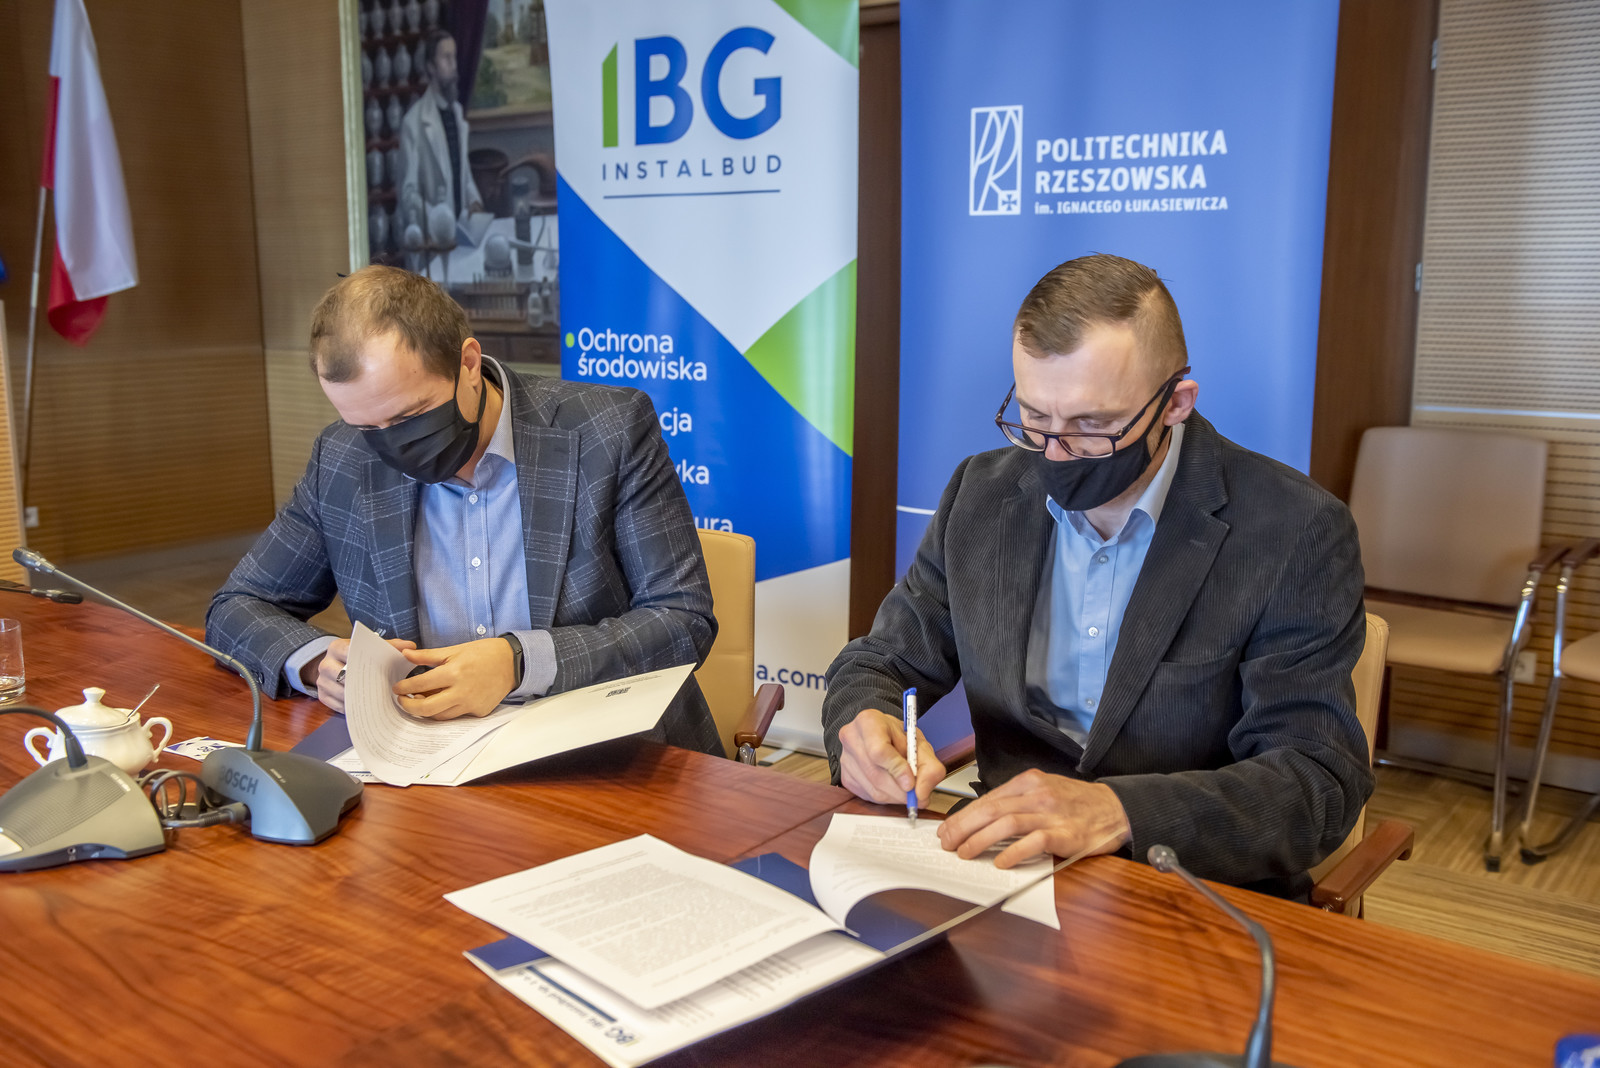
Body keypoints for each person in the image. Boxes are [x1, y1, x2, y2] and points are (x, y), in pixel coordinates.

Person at [822, 254, 1371, 899]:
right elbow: (881, 661)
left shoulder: (1293, 530)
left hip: (1190, 890)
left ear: (1175, 404)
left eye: (1092, 425)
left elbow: (1316, 779)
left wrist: (1120, 811)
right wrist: (863, 719)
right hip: (1003, 874)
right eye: (1035, 418)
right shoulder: (982, 495)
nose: (1056, 453)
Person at [207, 265, 720, 755]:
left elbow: (682, 620)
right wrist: (317, 660)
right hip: (424, 757)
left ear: (468, 364)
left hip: (605, 749)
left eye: (410, 417)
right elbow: (237, 606)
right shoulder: (343, 459)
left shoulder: (608, 430)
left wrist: (519, 664)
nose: (392, 446)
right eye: (367, 427)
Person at [399, 30, 483, 225]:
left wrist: (474, 202)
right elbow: (408, 194)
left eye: (454, 57)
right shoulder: (413, 123)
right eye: (446, 58)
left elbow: (464, 176)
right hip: (433, 237)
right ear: (431, 67)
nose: (454, 65)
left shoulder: (457, 113)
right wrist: (439, 220)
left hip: (462, 232)